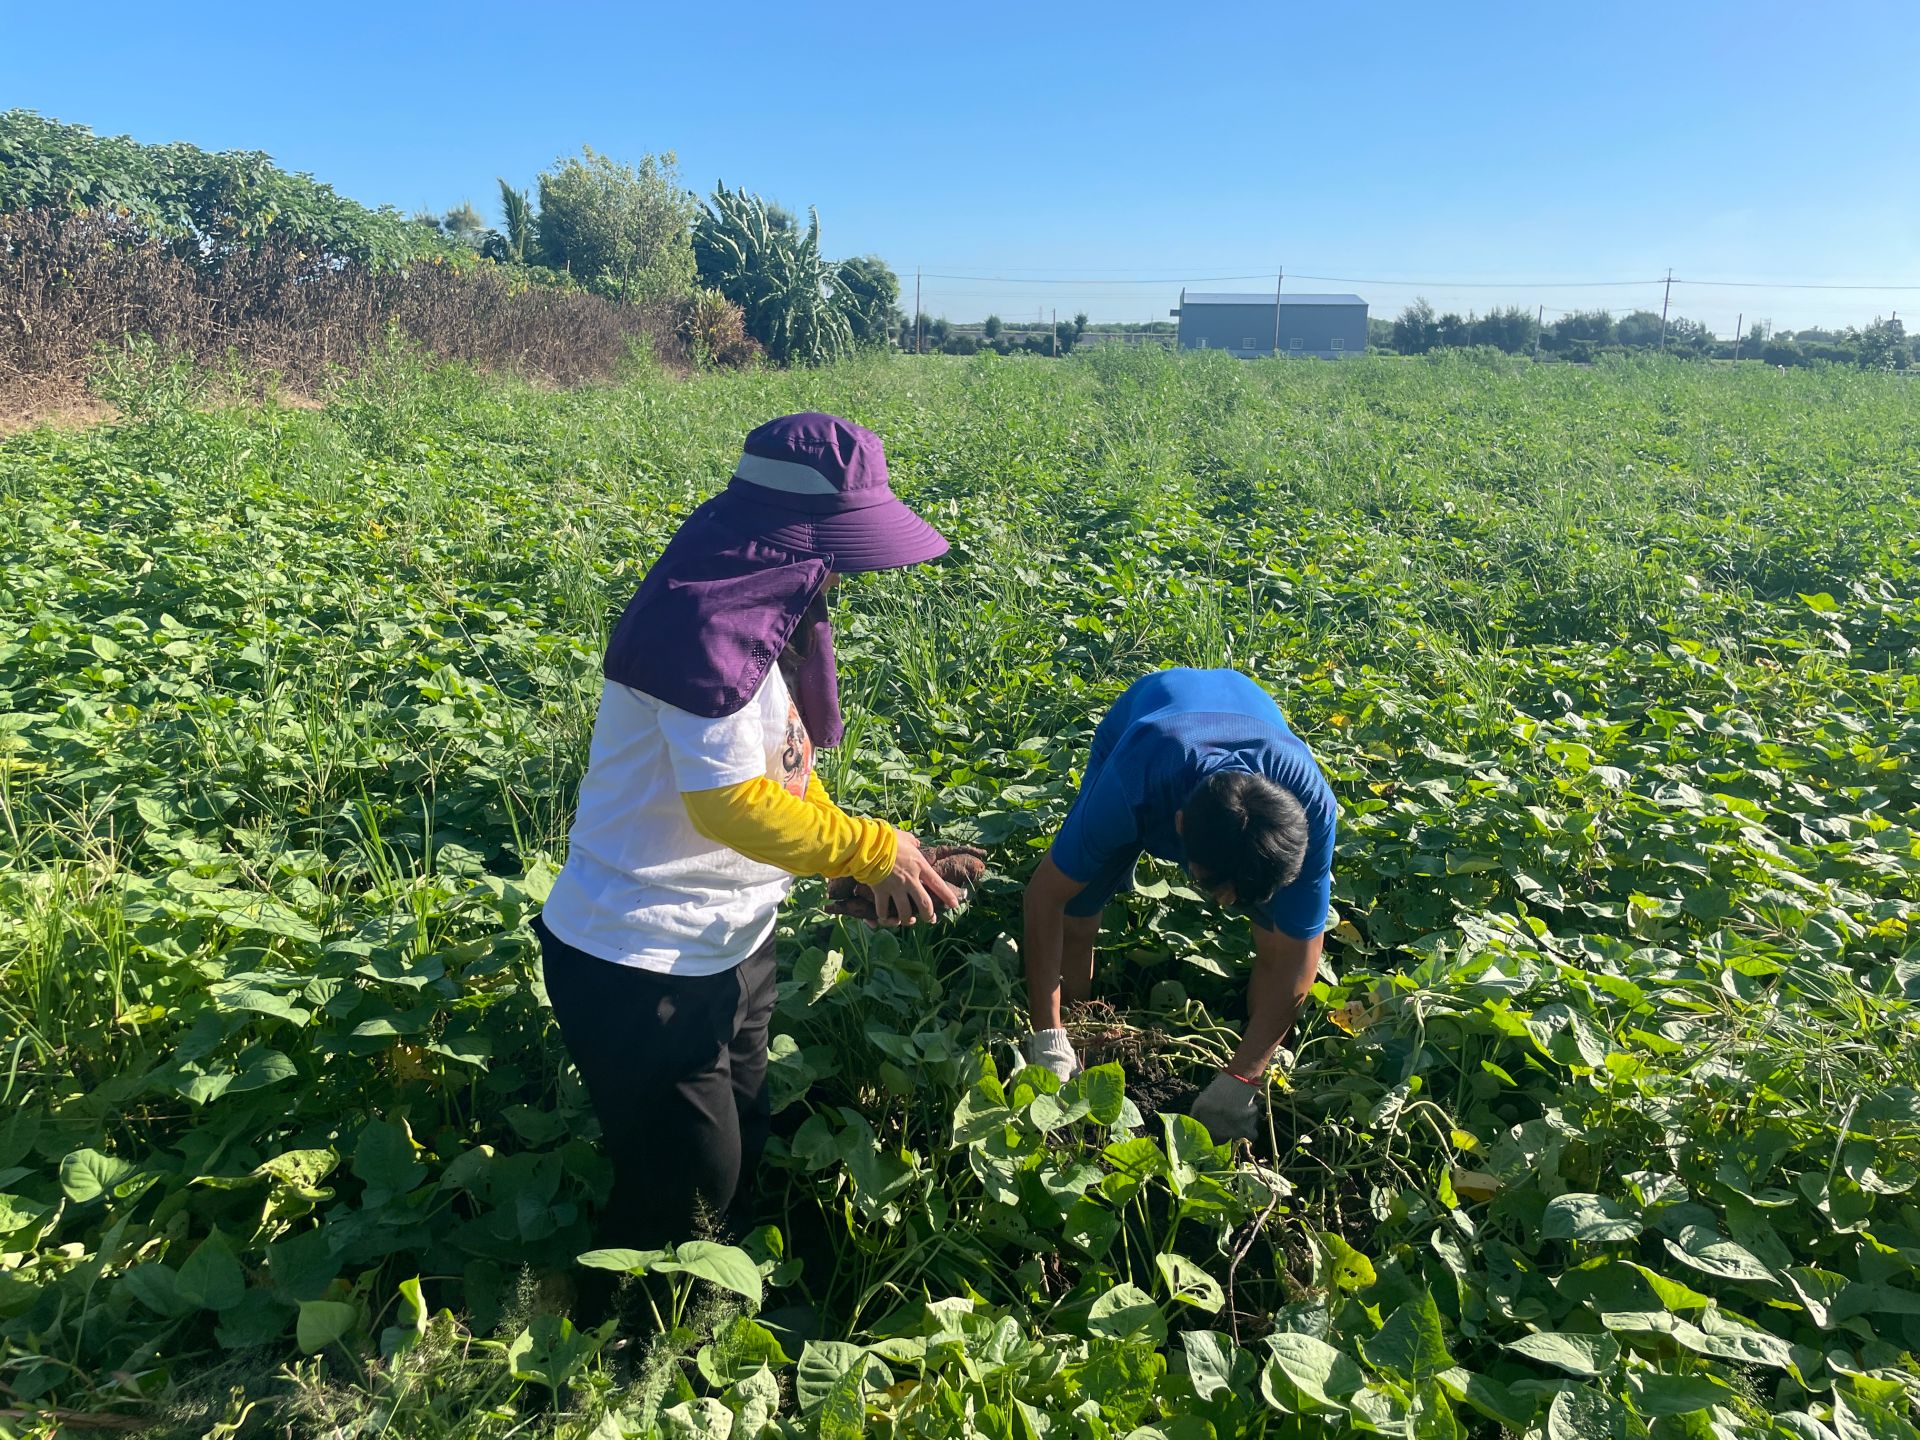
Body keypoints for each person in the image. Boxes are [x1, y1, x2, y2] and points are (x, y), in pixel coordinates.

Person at [534, 413, 960, 1270]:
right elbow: (729, 805)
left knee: (741, 1142)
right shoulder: (702, 628)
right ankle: (633, 1334)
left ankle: (717, 1306)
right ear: (783, 545)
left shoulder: (769, 617)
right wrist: (869, 849)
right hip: (639, 960)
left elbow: (783, 777)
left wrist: (841, 860)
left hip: (733, 943)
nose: (840, 577)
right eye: (834, 556)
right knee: (686, 1196)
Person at [1019, 668, 1337, 1142]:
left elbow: (1298, 955)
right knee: (1078, 914)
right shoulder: (1133, 781)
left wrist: (1244, 1078)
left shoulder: (1307, 815)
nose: (1226, 905)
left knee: (1277, 941)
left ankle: (1248, 1068)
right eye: (1215, 888)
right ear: (1180, 826)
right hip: (1148, 719)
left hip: (1246, 710)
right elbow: (1045, 897)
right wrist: (1048, 1036)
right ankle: (1081, 1035)